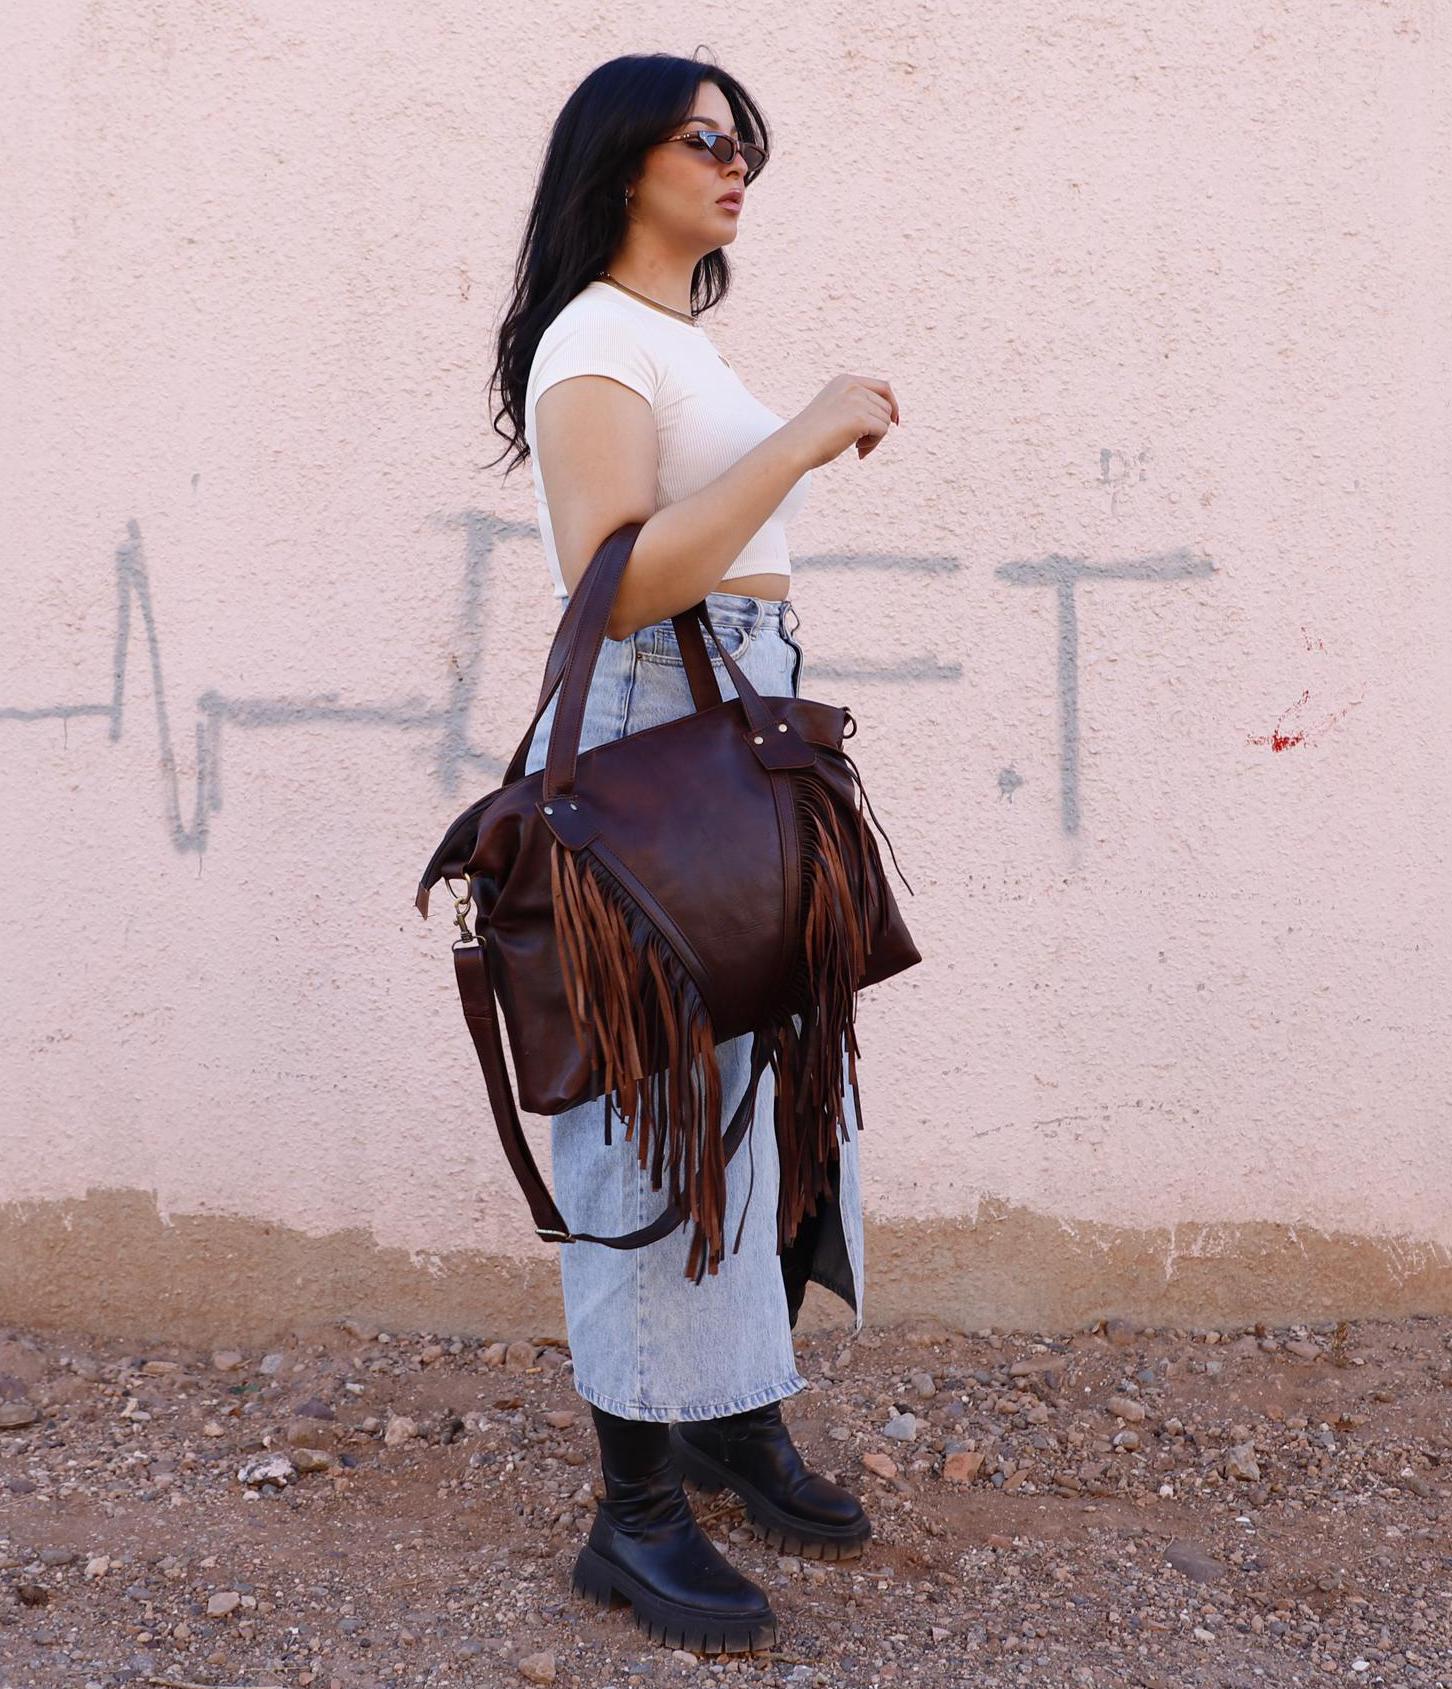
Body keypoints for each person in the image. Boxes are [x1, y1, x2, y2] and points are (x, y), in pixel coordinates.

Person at [485, 50, 900, 1655]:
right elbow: (623, 580)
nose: (737, 166)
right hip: (659, 728)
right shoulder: (594, 337)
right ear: (623, 160)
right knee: (653, 1117)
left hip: (738, 718)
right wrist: (800, 438)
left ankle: (730, 1416)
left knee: (772, 1091)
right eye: (707, 138)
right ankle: (634, 1513)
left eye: (748, 146)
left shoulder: (672, 340)